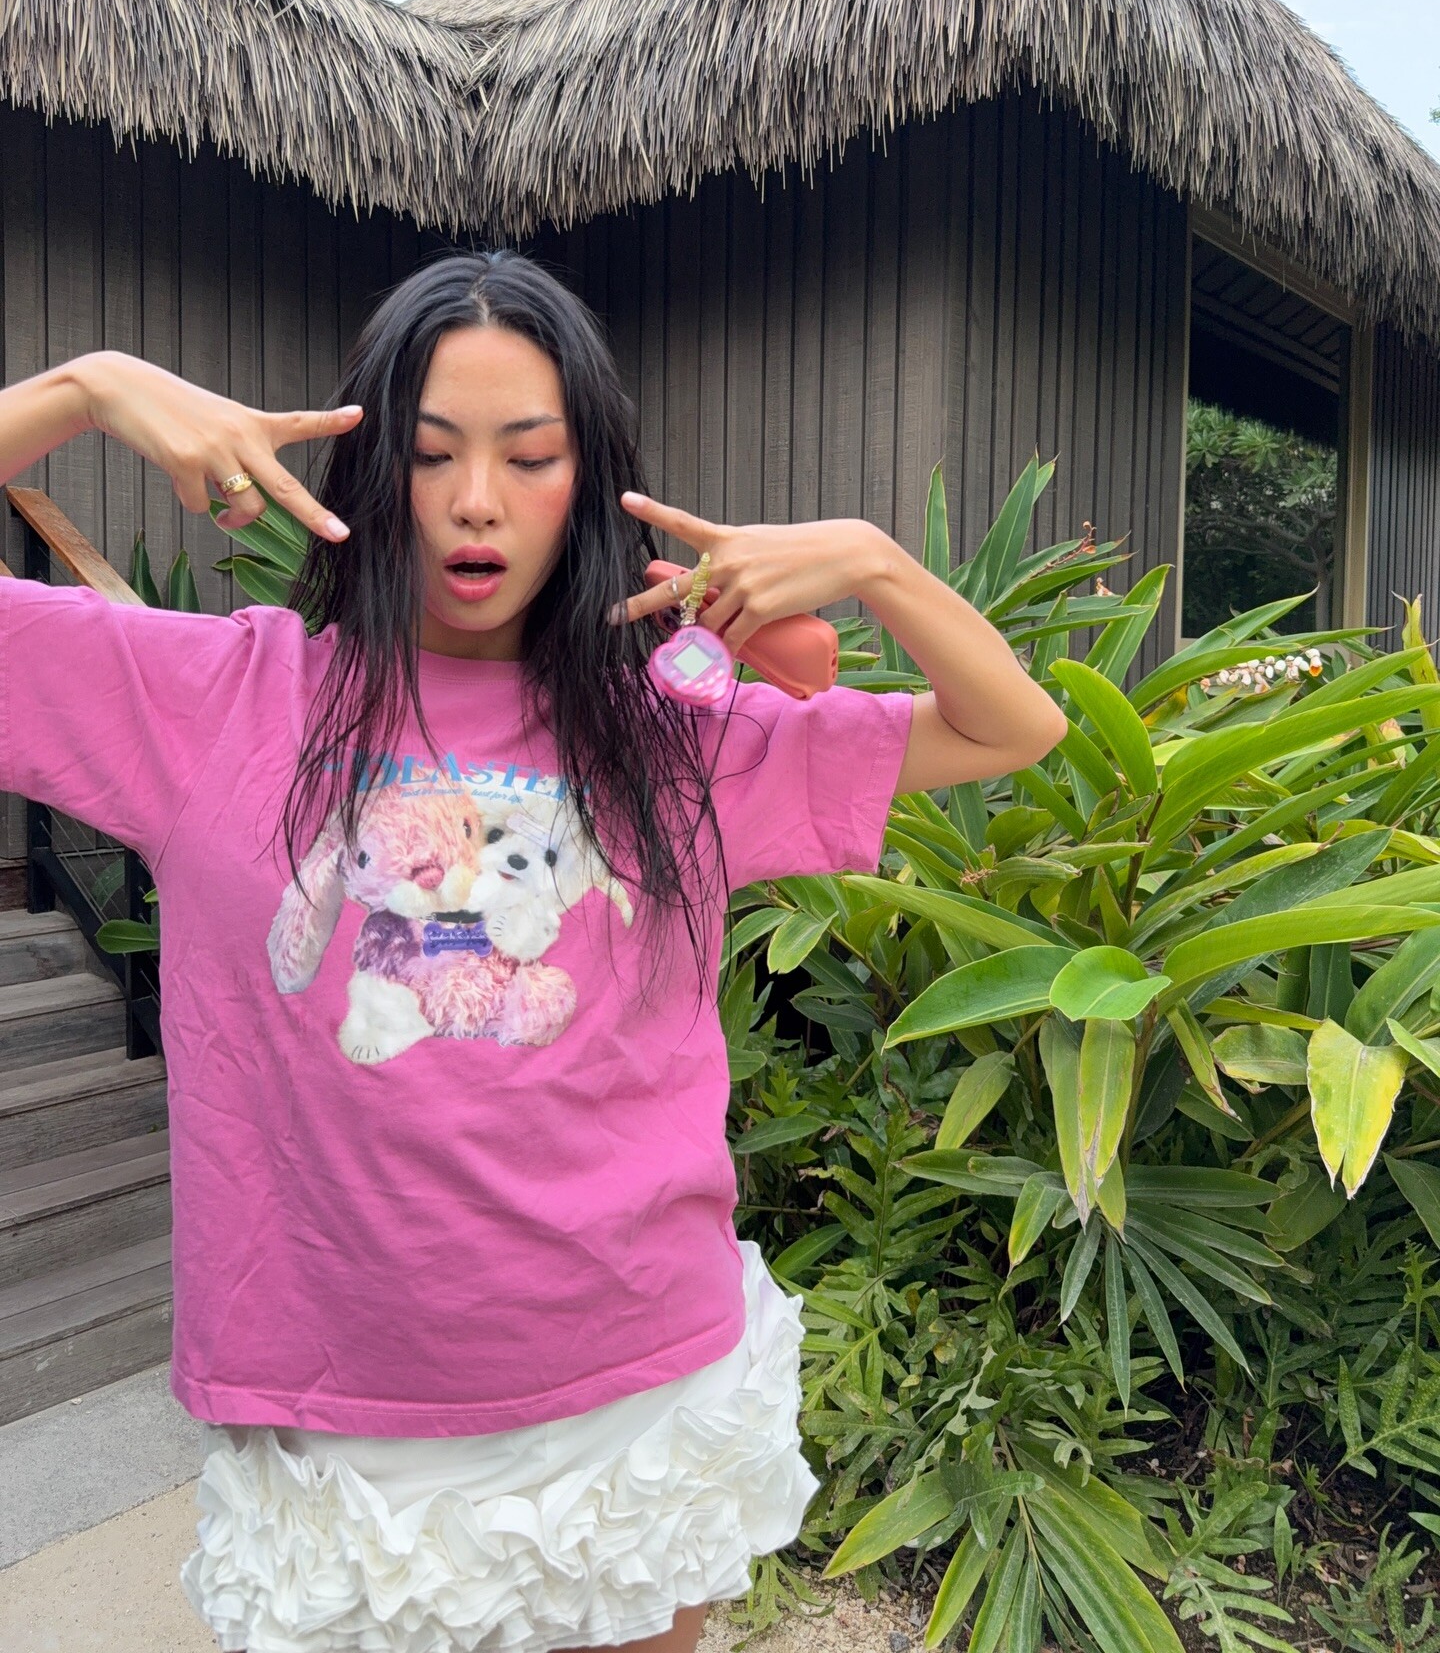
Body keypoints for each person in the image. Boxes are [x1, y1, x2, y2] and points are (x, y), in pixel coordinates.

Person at [0, 250, 1067, 1653]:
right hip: (339, 1413)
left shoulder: (674, 738)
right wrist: (85, 389)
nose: (476, 500)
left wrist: (874, 561)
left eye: (530, 454)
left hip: (635, 1388)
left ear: (589, 480)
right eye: (429, 451)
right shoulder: (216, 696)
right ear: (369, 468)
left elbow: (1010, 728)